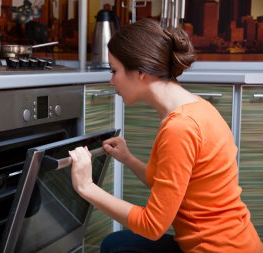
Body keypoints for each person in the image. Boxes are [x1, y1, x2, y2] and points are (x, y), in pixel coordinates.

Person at [68, 18, 263, 253]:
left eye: (114, 70)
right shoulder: (195, 108)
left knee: (119, 248)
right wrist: (127, 158)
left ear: (140, 71)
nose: (111, 81)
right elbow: (171, 187)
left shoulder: (180, 128)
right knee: (117, 243)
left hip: (216, 249)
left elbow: (152, 226)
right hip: (233, 241)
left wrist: (86, 187)